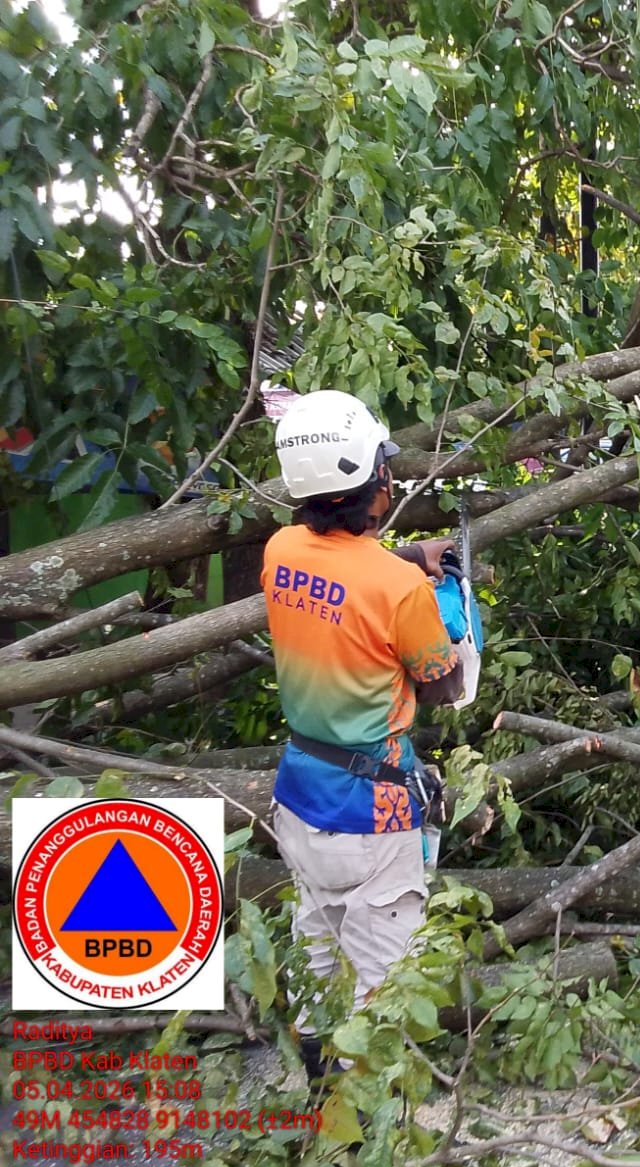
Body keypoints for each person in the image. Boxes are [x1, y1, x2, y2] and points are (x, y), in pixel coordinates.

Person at [262, 390, 464, 1081]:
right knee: (386, 975)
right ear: (366, 480)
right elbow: (443, 685)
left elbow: (344, 572)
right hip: (369, 814)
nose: (390, 478)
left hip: (299, 794)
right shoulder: (399, 592)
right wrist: (448, 614)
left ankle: (317, 1092)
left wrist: (410, 557)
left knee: (318, 952)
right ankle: (375, 1126)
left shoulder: (280, 549)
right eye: (383, 467)